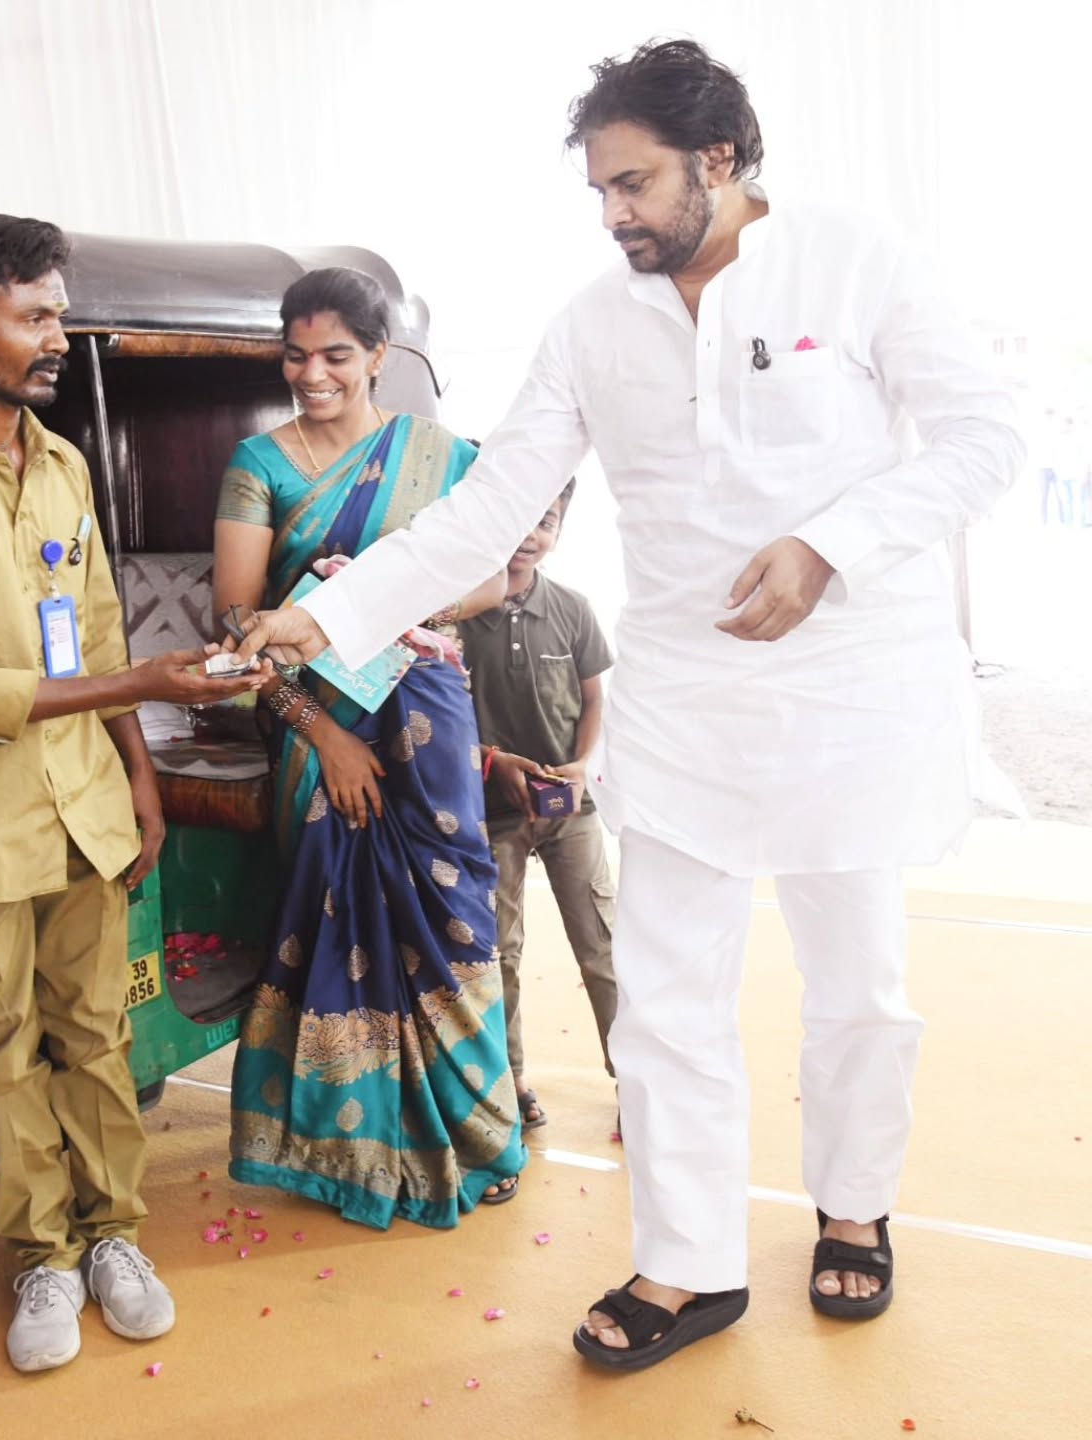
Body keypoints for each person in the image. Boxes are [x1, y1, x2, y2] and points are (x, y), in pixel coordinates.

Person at [230, 41, 1024, 1370]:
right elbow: (488, 505)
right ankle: (691, 1261)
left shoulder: (857, 263)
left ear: (720, 160)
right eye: (601, 190)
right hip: (687, 706)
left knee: (860, 993)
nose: (615, 215)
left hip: (852, 694)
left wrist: (835, 543)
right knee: (665, 999)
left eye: (636, 183)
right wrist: (342, 609)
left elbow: (985, 437)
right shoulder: (595, 323)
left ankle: (855, 1205)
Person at [0, 212, 267, 1374]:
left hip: (84, 807)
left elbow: (93, 632)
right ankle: (41, 1256)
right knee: (2, 1050)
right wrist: (138, 683)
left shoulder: (66, 464)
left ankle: (117, 1239)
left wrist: (138, 774)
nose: (56, 339)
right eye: (37, 317)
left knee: (98, 1036)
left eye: (60, 314)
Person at [213, 266, 526, 1229]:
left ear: (379, 357)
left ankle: (478, 1136)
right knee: (331, 915)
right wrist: (321, 735)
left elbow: (502, 570)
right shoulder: (258, 466)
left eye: (336, 355)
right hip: (313, 715)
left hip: (426, 705)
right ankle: (342, 1147)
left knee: (453, 908)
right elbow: (236, 619)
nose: (313, 373)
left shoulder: (441, 454)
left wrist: (392, 604)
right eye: (296, 353)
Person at [457, 478, 619, 1132]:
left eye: (545, 522)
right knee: (499, 953)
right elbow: (439, 724)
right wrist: (493, 765)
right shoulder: (458, 616)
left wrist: (581, 766)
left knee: (602, 945)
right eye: (518, 517)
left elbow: (596, 700)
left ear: (558, 530)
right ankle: (512, 1081)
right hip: (492, 815)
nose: (529, 535)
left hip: (571, 814)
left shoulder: (574, 609)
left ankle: (634, 1079)